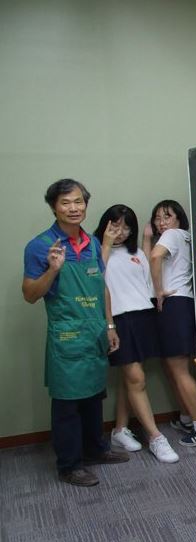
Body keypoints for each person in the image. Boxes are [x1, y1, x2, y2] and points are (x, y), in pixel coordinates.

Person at [22, 179, 129, 486]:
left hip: (95, 332)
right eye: (66, 203)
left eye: (79, 201)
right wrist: (52, 270)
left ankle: (95, 449)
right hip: (67, 337)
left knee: (94, 396)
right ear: (54, 207)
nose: (73, 208)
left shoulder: (93, 243)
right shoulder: (41, 246)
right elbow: (29, 294)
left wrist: (109, 324)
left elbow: (100, 286)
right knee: (67, 403)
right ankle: (69, 465)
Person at [94, 204, 178, 463]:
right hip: (117, 320)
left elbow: (147, 285)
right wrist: (106, 244)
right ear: (105, 225)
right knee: (136, 378)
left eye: (125, 226)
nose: (120, 231)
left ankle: (119, 429)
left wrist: (160, 292)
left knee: (129, 378)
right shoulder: (94, 251)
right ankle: (155, 437)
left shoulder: (137, 253)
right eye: (114, 225)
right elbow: (96, 279)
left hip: (143, 317)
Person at [147, 200, 196, 447]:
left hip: (173, 303)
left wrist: (159, 290)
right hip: (182, 305)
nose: (162, 222)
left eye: (167, 216)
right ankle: (187, 418)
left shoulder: (172, 235)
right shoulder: (186, 236)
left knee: (179, 368)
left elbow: (154, 257)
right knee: (173, 366)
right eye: (157, 218)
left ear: (178, 219)